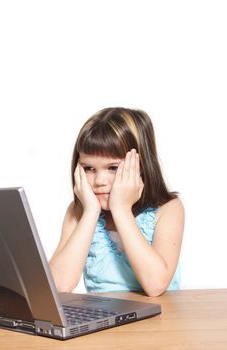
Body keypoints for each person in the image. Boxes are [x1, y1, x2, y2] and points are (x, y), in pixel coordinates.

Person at [50, 107, 184, 297]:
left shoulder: (168, 209)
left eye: (112, 167)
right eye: (88, 168)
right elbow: (58, 285)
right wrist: (90, 213)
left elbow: (155, 285)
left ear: (141, 165)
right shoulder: (79, 211)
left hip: (159, 321)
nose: (99, 181)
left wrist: (121, 210)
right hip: (105, 321)